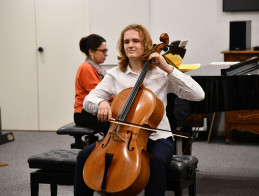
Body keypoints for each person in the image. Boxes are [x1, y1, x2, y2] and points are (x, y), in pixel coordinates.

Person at [74, 24, 205, 196]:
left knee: (156, 162)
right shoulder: (115, 74)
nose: (130, 45)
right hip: (120, 137)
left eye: (136, 41)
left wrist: (168, 68)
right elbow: (89, 100)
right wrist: (101, 104)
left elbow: (198, 94)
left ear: (146, 45)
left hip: (158, 137)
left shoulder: (160, 73)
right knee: (84, 156)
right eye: (126, 41)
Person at [74, 34, 112, 134]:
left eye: (106, 50)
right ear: (91, 51)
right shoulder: (85, 68)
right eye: (103, 51)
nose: (106, 54)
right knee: (115, 123)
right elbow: (99, 93)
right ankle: (106, 148)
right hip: (83, 113)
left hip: (93, 111)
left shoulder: (101, 70)